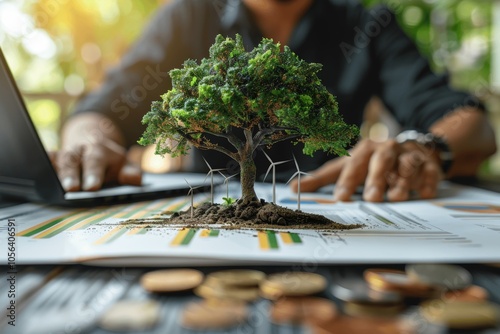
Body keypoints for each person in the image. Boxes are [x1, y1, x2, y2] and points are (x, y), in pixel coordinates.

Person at [57, 0, 497, 202]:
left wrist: (424, 146)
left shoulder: (368, 24)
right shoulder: (186, 16)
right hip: (209, 217)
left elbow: (468, 123)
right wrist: (88, 142)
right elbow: (101, 110)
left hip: (336, 213)